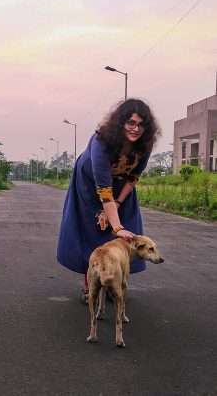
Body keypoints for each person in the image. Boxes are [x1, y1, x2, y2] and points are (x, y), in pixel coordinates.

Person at [56, 98, 161, 304]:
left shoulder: (144, 145)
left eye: (141, 125)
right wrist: (116, 226)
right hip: (90, 185)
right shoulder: (101, 142)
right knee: (94, 232)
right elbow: (103, 189)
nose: (136, 129)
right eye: (131, 123)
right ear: (120, 122)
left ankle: (113, 283)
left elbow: (134, 177)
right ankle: (90, 285)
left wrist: (119, 205)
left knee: (123, 236)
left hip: (122, 185)